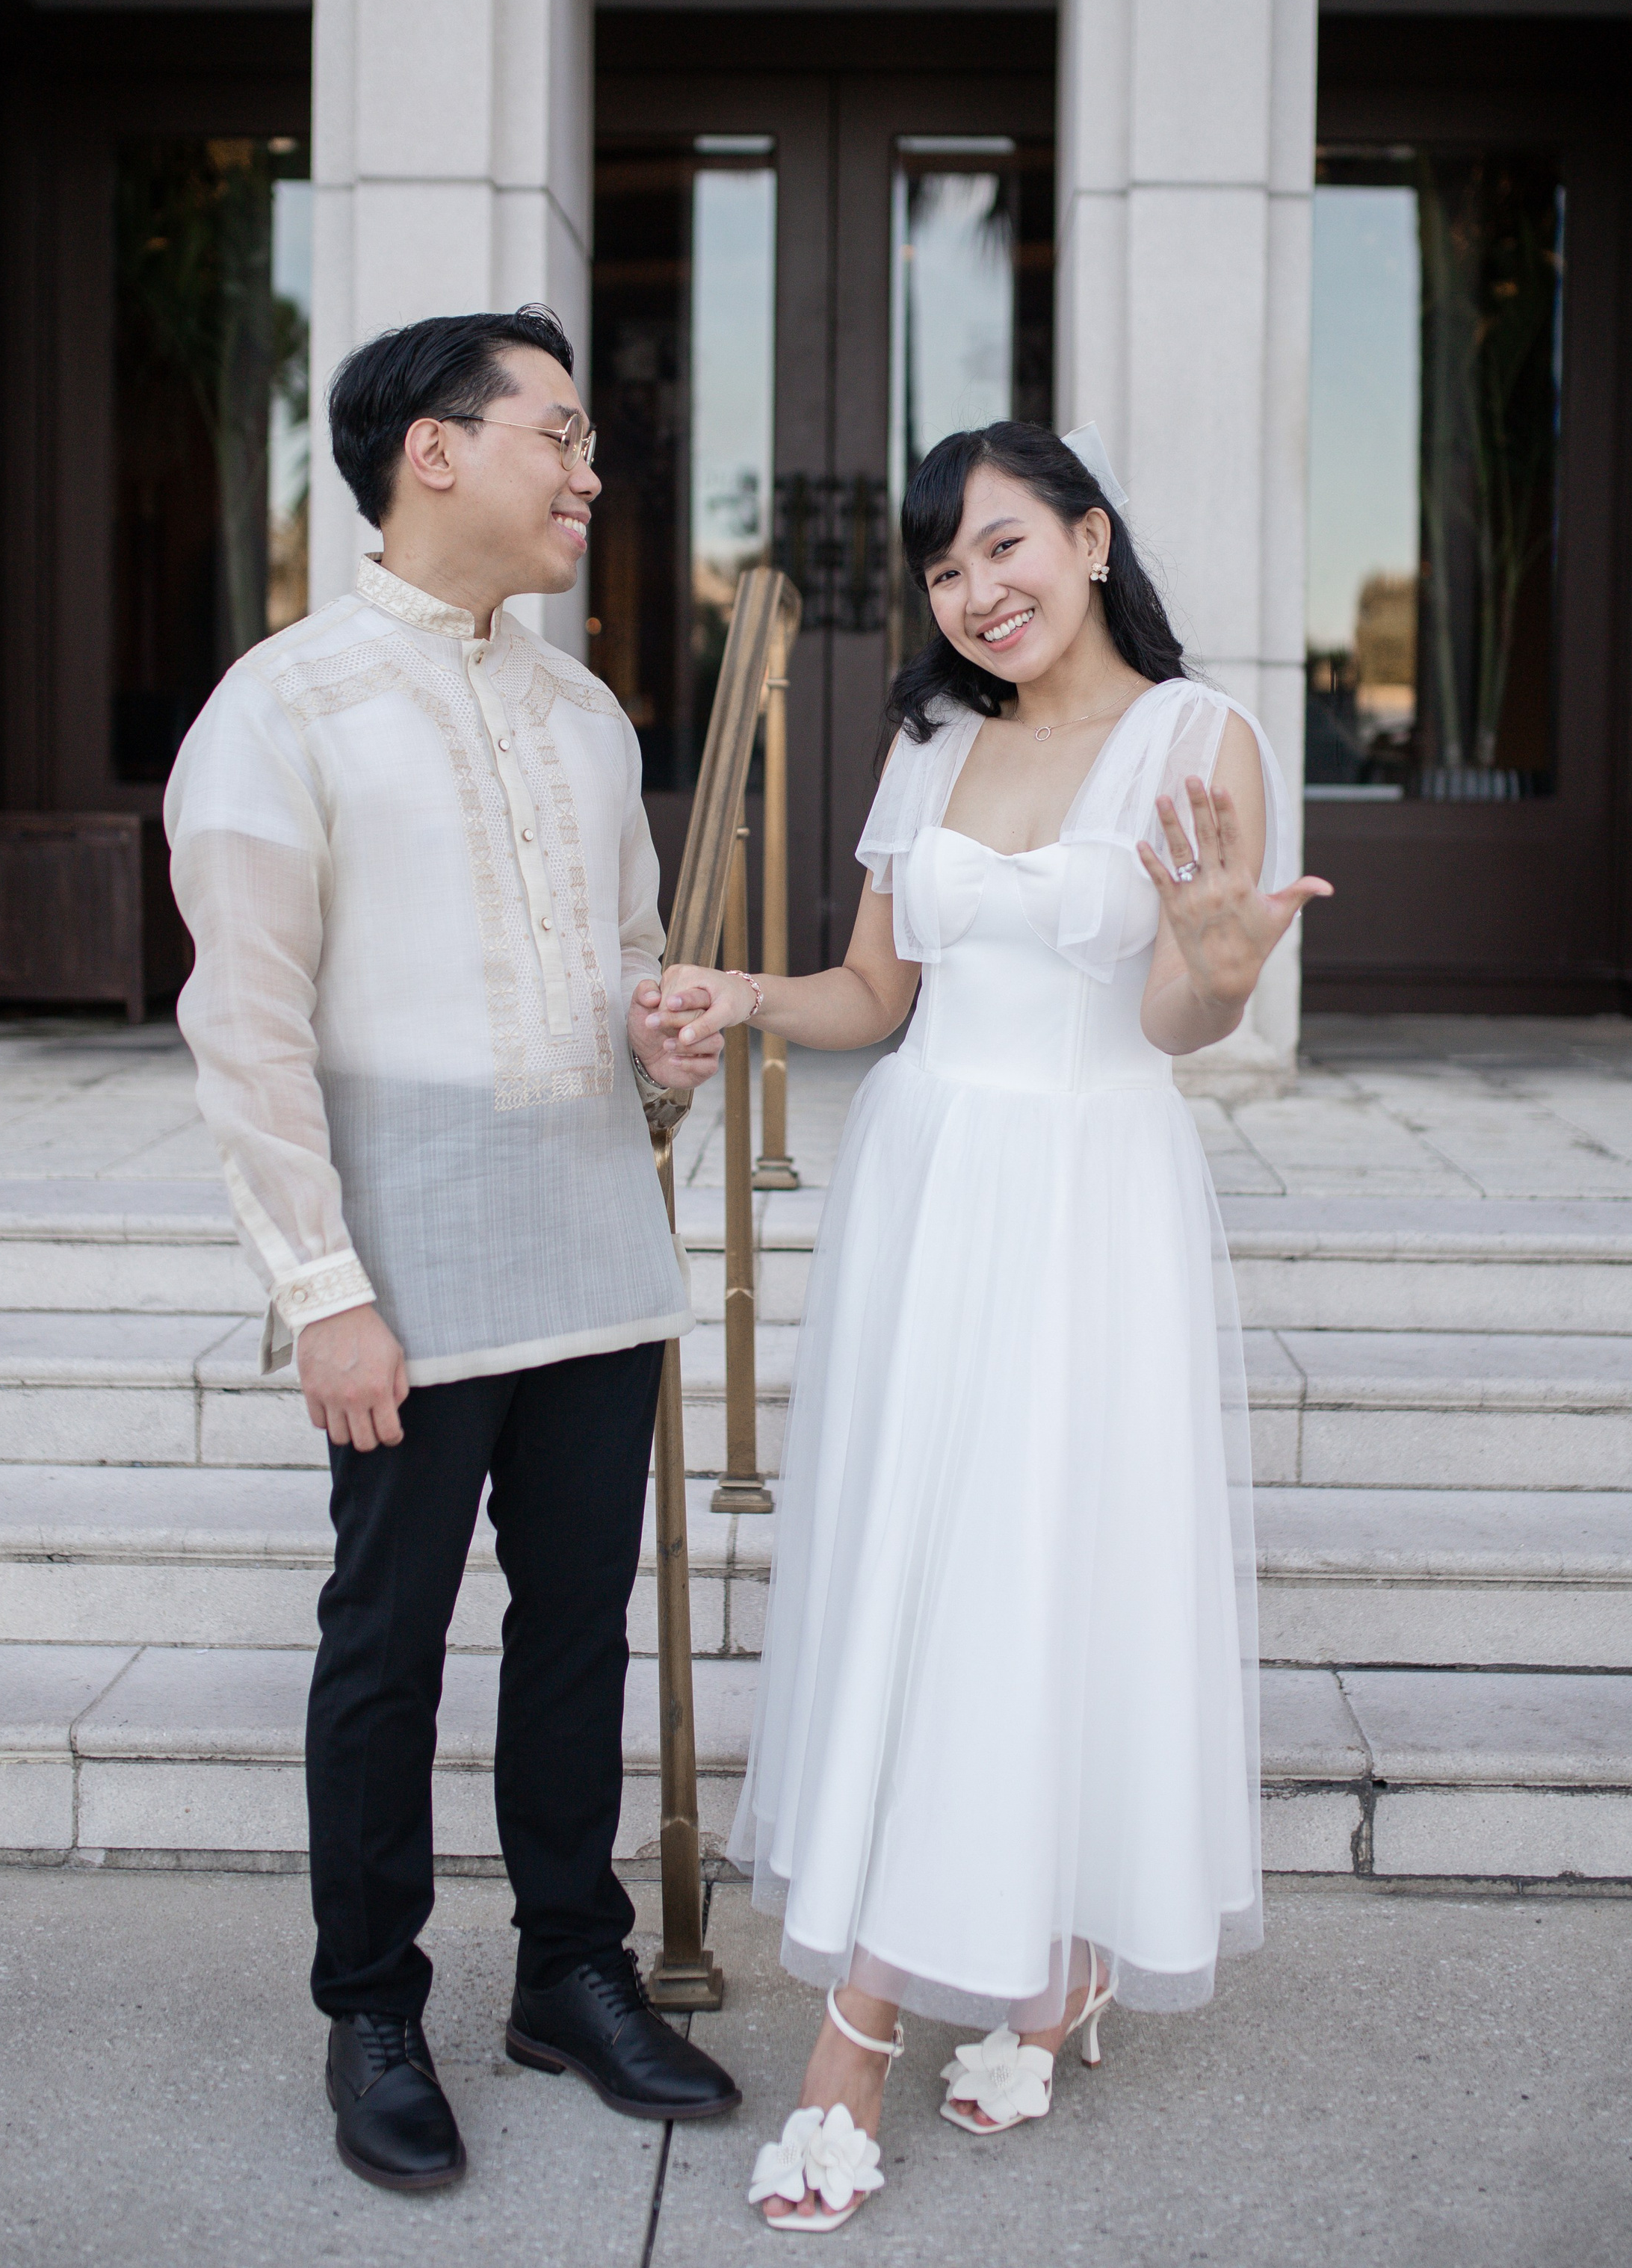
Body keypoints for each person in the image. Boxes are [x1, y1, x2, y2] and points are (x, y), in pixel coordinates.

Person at [649, 420, 1332, 2233]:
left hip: (1085, 1198)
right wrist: (736, 993)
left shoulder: (1202, 743)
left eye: (1006, 546)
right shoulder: (932, 734)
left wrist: (1218, 961)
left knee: (1038, 1576)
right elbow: (876, 993)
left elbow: (1182, 1021)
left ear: (1093, 540)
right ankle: (1040, 1966)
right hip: (926, 1193)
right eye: (946, 568)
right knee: (919, 1569)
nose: (978, 592)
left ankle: (855, 2039)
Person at [165, 307, 741, 2196]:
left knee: (576, 1636)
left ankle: (567, 1971)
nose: (590, 472)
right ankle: (371, 2005)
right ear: (432, 448)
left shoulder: (587, 717)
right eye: (558, 435)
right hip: (399, 1270)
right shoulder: (282, 705)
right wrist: (320, 1291)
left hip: (588, 1240)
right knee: (387, 1648)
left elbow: (622, 975)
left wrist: (657, 1055)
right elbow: (244, 1034)